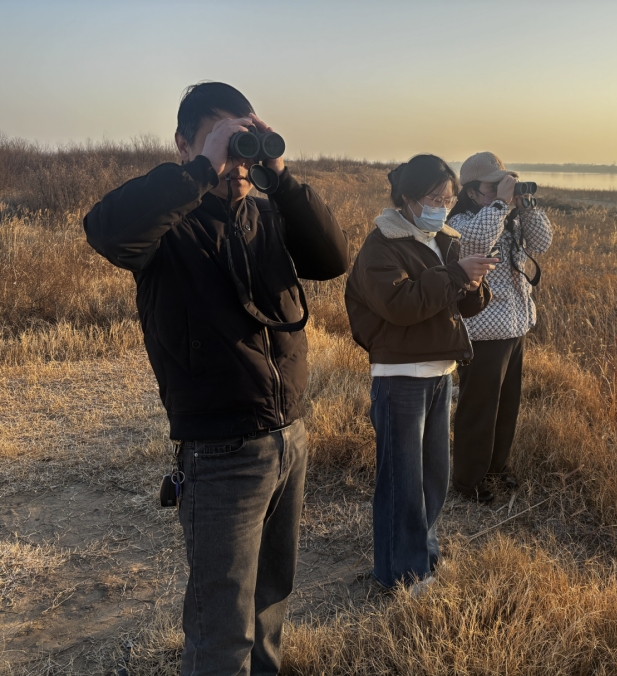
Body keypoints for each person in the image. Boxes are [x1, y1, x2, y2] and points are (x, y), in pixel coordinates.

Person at [83, 82, 349, 676]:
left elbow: (332, 259)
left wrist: (278, 173)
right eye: (224, 141)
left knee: (270, 604)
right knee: (221, 629)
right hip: (220, 450)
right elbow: (104, 229)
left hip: (290, 437)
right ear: (183, 144)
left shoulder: (266, 212)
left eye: (245, 142)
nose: (239, 161)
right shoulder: (167, 226)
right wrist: (205, 168)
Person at [344, 154, 496, 589]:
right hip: (400, 375)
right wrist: (453, 274)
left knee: (433, 478)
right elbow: (402, 304)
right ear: (408, 199)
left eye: (447, 199)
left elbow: (458, 304)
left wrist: (473, 282)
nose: (442, 207)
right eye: (434, 198)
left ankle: (423, 559)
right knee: (402, 482)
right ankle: (400, 574)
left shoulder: (441, 238)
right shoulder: (381, 246)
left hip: (439, 370)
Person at [448, 151, 553, 503]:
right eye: (492, 186)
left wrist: (525, 205)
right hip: (481, 330)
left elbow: (542, 243)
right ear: (472, 191)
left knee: (506, 406)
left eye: (503, 183)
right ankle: (468, 481)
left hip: (514, 326)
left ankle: (496, 469)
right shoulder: (461, 220)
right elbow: (475, 243)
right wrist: (501, 206)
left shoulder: (508, 216)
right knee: (478, 409)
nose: (500, 191)